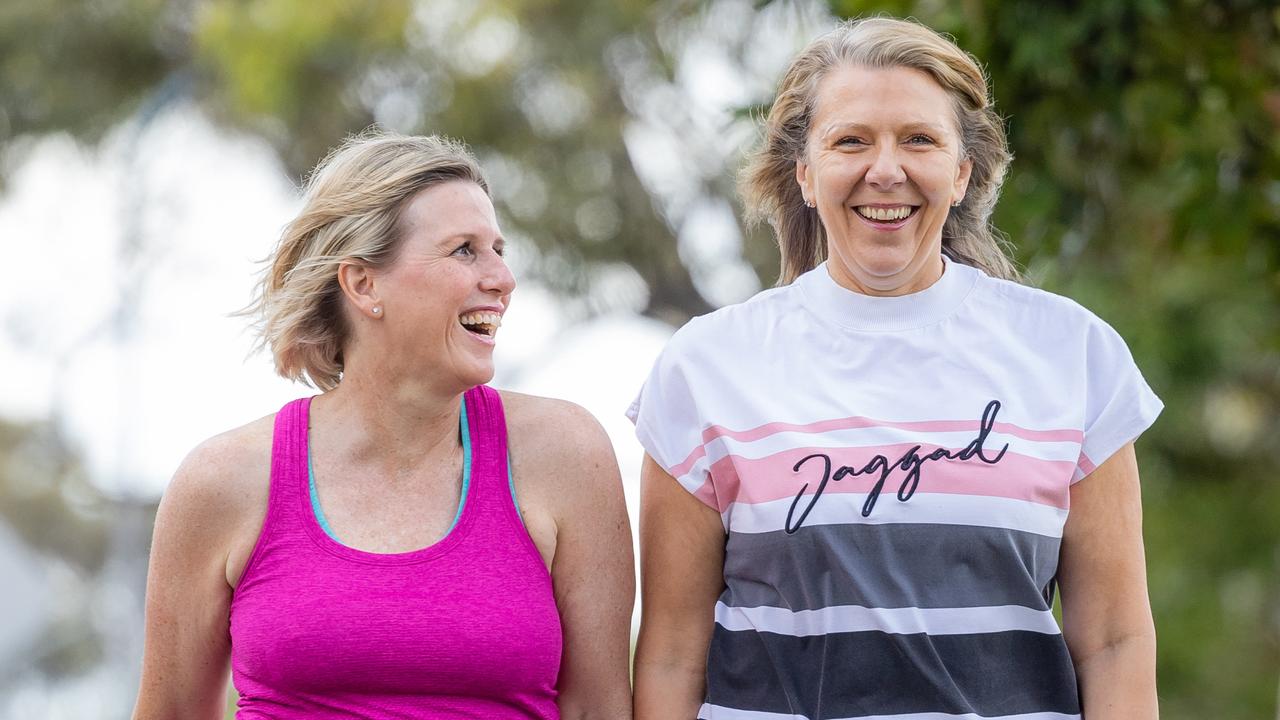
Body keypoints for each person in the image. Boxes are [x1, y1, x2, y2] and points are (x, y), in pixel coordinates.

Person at [630, 17, 1161, 720]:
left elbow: (1115, 643)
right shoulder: (703, 369)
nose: (886, 169)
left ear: (963, 172)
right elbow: (670, 656)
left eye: (919, 139)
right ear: (807, 174)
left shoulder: (1074, 356)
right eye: (851, 140)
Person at [132, 131, 634, 719]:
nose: (503, 277)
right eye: (464, 250)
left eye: (499, 248)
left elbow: (599, 709)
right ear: (363, 283)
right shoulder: (221, 482)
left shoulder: (568, 455)